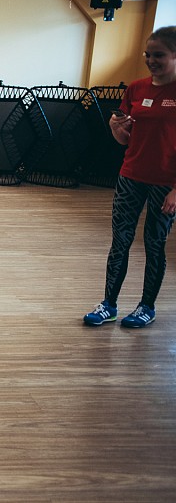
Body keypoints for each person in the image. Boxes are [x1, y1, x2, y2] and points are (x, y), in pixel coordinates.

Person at [84, 26, 176, 329]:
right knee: (120, 241)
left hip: (166, 183)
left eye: (159, 55)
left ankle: (146, 307)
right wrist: (116, 128)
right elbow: (125, 139)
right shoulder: (136, 89)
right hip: (130, 176)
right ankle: (108, 304)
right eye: (148, 54)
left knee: (154, 243)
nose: (151, 60)